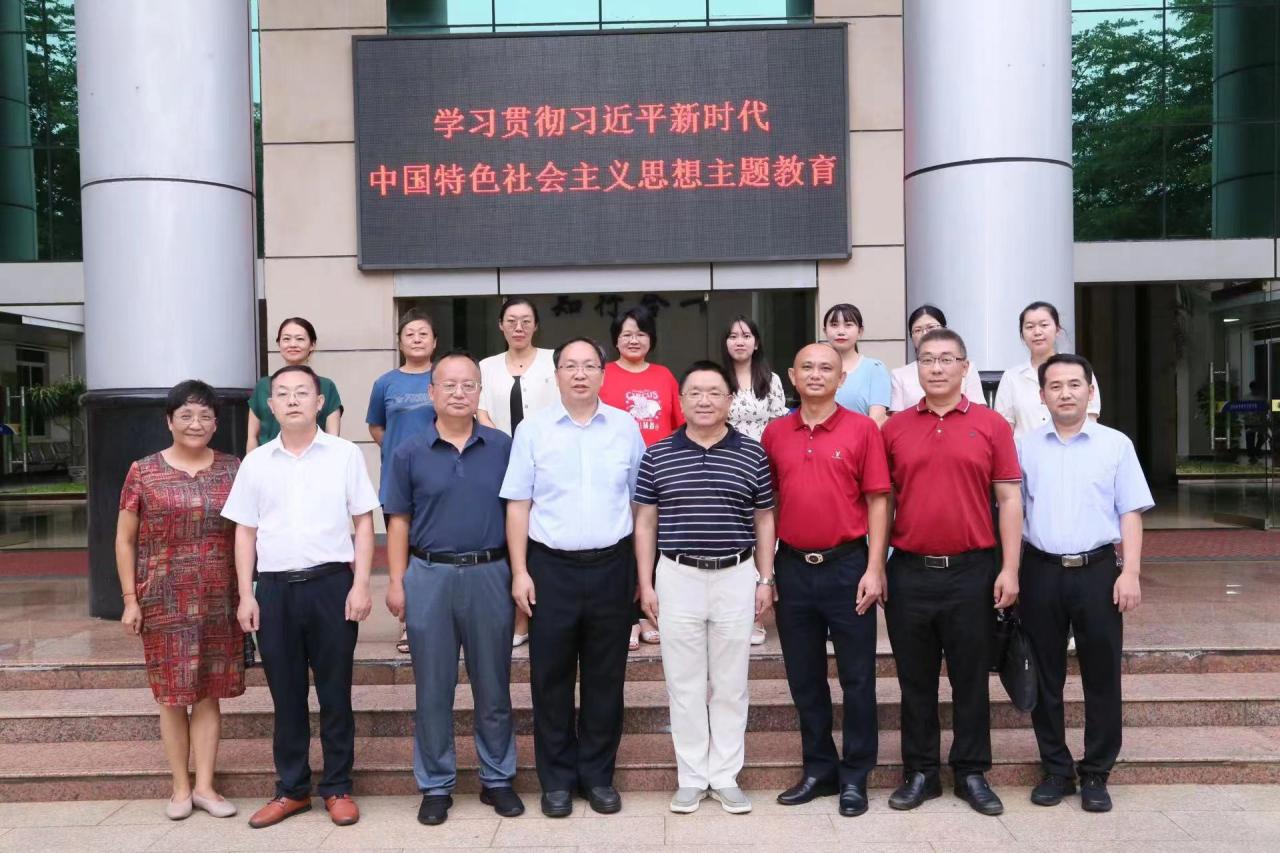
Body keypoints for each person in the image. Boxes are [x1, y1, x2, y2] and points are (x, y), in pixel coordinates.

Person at [224, 364, 381, 829]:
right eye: (283, 394)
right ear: (270, 406)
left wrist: (360, 584)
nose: (292, 400)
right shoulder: (255, 462)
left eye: (302, 392)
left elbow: (364, 522)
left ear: (320, 402)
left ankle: (337, 787)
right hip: (274, 591)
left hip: (332, 586)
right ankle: (291, 789)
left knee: (336, 693)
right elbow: (245, 532)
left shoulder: (344, 455)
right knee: (286, 695)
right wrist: (246, 594)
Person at [500, 337, 646, 819]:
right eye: (570, 366)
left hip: (611, 567)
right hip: (550, 569)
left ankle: (598, 777)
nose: (580, 374)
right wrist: (520, 571)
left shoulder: (624, 427)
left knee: (607, 678)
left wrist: (640, 574)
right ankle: (557, 781)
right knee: (550, 680)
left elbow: (640, 505)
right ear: (556, 374)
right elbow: (518, 505)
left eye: (589, 366)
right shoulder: (533, 430)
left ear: (603, 374)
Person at [881, 329, 1023, 817]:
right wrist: (877, 566)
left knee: (970, 678)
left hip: (973, 571)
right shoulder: (894, 429)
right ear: (916, 368)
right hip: (909, 572)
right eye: (927, 359)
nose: (937, 368)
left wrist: (1010, 568)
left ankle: (971, 771)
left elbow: (1009, 499)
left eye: (947, 359)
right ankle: (920, 772)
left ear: (965, 367)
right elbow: (883, 503)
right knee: (914, 680)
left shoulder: (991, 425)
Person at [383, 351, 524, 826]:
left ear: (479, 391)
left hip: (490, 573)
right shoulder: (409, 451)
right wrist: (398, 582)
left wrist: (519, 574)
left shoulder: (503, 447)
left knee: (493, 684)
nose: (459, 393)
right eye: (449, 385)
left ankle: (497, 778)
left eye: (468, 385)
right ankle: (436, 784)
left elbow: (517, 513)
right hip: (429, 575)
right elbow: (398, 521)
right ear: (432, 392)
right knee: (433, 688)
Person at [634, 361, 777, 815]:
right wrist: (645, 583)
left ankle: (726, 776)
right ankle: (693, 777)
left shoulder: (752, 454)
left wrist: (765, 578)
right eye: (695, 392)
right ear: (681, 400)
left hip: (737, 574)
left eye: (714, 392)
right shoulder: (657, 454)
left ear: (730, 401)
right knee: (684, 683)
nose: (704, 400)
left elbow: (764, 519)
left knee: (732, 683)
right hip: (677, 575)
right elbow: (645, 522)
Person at [1018, 353, 1154, 813]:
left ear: (1090, 391)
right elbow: (1013, 513)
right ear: (1042, 396)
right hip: (1039, 571)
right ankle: (1056, 769)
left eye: (1075, 385)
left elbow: (1130, 511)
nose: (1065, 394)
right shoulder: (1025, 448)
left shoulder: (1115, 445)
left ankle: (1096, 771)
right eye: (1055, 386)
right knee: (1044, 677)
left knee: (1102, 675)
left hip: (1098, 572)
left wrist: (1130, 571)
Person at [762, 343, 891, 819]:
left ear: (841, 378)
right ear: (792, 376)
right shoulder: (776, 432)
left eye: (826, 368)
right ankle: (819, 769)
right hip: (794, 568)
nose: (816, 375)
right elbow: (768, 506)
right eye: (807, 367)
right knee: (805, 678)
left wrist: (875, 567)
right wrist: (767, 572)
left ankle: (856, 774)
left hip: (848, 566)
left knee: (857, 678)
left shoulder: (862, 429)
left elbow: (879, 500)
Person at [116, 380, 244, 821]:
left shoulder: (233, 469)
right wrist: (130, 598)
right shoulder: (143, 471)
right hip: (163, 599)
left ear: (216, 424)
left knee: (209, 693)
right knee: (171, 695)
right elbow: (125, 539)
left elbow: (248, 534)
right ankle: (180, 788)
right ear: (169, 421)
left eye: (205, 416)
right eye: (186, 415)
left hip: (219, 598)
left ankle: (206, 786)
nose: (196, 423)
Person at [599, 305, 683, 649]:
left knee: (655, 544)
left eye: (641, 333)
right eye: (627, 334)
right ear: (615, 340)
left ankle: (652, 614)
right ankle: (630, 618)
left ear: (652, 339)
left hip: (658, 473)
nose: (634, 340)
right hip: (614, 473)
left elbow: (679, 425)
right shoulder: (603, 374)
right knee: (623, 546)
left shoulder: (664, 376)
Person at [476, 297, 558, 650]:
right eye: (511, 320)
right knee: (507, 534)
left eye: (526, 320)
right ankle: (515, 616)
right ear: (500, 325)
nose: (518, 327)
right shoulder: (486, 366)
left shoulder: (553, 360)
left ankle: (536, 613)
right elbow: (481, 413)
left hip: (549, 460)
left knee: (540, 535)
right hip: (500, 461)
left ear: (536, 325)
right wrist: (509, 448)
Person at [367, 308, 436, 655]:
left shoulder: (443, 377)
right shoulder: (385, 383)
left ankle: (439, 619)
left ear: (434, 341)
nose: (417, 339)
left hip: (438, 478)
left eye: (423, 333)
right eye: (410, 334)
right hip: (398, 480)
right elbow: (377, 427)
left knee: (434, 550)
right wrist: (400, 453)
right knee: (403, 553)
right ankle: (410, 624)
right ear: (400, 342)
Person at [722, 314, 787, 647]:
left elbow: (778, 425)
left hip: (761, 466)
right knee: (734, 539)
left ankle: (756, 616)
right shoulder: (719, 378)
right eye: (733, 336)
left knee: (763, 539)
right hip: (724, 466)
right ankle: (731, 614)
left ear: (756, 342)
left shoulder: (771, 379)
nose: (740, 341)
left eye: (746, 335)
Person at [995, 301, 1101, 437]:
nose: (1037, 332)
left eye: (1044, 325)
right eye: (1029, 327)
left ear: (1057, 329)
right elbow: (1004, 429)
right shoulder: (1012, 377)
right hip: (1025, 450)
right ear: (1022, 335)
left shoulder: (1079, 370)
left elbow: (1091, 422)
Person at [246, 317, 343, 452]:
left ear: (312, 344)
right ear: (279, 344)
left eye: (300, 339)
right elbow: (252, 437)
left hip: (314, 459)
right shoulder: (263, 386)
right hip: (270, 459)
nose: (292, 344)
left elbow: (333, 437)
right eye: (286, 339)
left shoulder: (326, 386)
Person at [889, 305, 986, 411]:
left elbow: (978, 410)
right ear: (911, 337)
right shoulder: (899, 375)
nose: (925, 333)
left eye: (931, 327)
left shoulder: (965, 367)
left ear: (945, 329)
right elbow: (897, 417)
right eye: (918, 330)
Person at [823, 303, 890, 426]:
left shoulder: (874, 368)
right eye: (834, 325)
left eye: (848, 325)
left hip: (861, 437)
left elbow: (877, 420)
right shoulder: (817, 369)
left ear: (860, 331)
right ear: (825, 331)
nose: (841, 332)